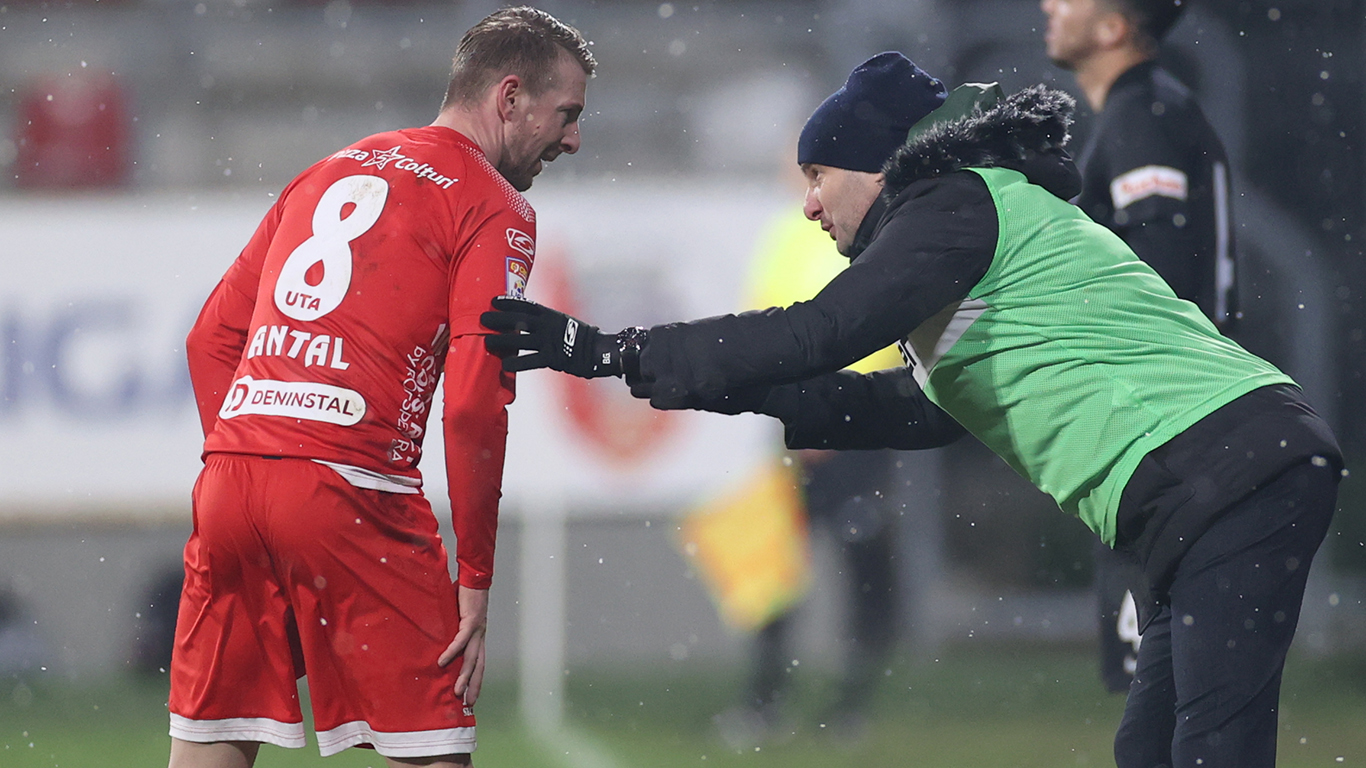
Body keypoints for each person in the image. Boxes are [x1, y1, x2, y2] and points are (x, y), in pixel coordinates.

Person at [482, 52, 1343, 768]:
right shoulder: (959, 231)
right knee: (1154, 751)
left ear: (878, 166)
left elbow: (822, 332)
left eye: (818, 176)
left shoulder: (953, 201)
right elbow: (893, 409)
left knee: (1211, 751)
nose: (808, 203)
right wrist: (652, 374)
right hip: (1209, 481)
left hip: (1228, 468)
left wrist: (614, 350)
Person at [172, 8, 593, 768]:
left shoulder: (329, 168)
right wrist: (475, 577)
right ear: (509, 97)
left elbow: (210, 339)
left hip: (231, 483)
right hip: (353, 488)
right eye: (566, 114)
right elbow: (474, 400)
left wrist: (253, 459)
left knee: (213, 744)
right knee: (432, 748)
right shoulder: (495, 206)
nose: (573, 140)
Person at [1041, 0, 1240, 693]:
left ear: (1112, 28)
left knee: (1158, 692)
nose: (1049, 5)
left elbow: (1160, 284)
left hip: (1164, 431)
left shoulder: (1142, 117)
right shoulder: (1148, 109)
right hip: (1177, 427)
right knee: (1171, 692)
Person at [720, 208, 903, 744]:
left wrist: (839, 409)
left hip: (862, 432)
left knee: (865, 568)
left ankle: (851, 706)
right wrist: (797, 408)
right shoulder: (787, 236)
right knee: (775, 569)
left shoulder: (884, 235)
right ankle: (764, 701)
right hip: (798, 435)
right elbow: (764, 330)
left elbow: (885, 334)